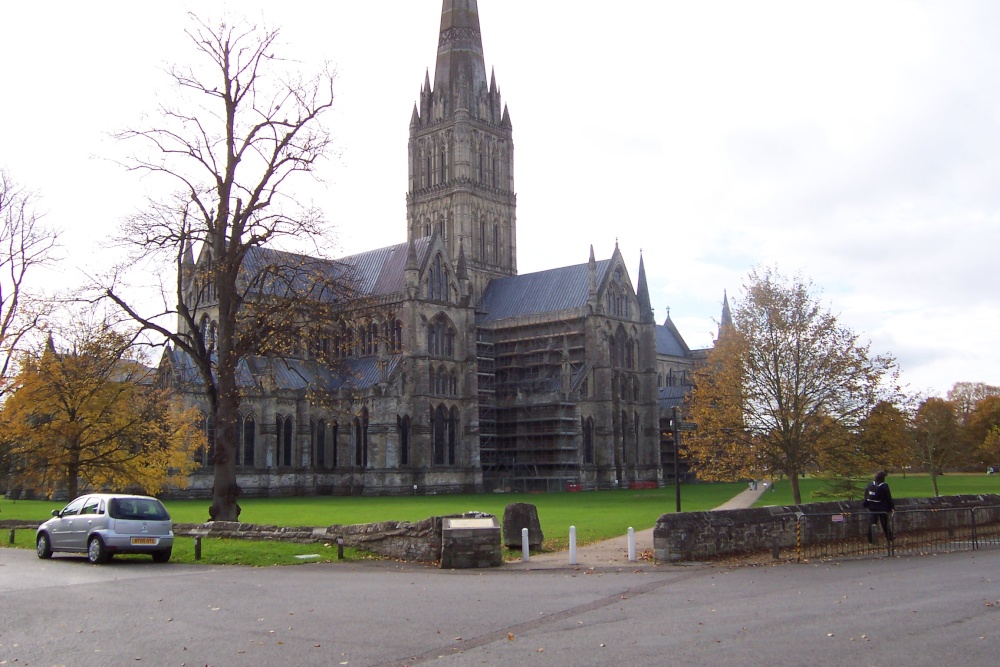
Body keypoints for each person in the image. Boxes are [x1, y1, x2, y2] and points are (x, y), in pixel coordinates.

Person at [862, 470, 895, 542]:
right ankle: (889, 537)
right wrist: (892, 507)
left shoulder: (870, 484)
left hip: (872, 507)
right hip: (882, 507)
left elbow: (866, 495)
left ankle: (870, 539)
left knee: (872, 523)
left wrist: (866, 503)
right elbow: (888, 497)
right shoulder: (884, 486)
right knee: (885, 523)